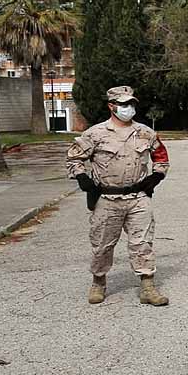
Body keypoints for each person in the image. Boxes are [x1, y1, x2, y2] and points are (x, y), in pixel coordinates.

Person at [66, 86, 170, 307]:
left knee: (143, 242)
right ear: (111, 106)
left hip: (138, 198)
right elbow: (74, 158)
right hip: (106, 199)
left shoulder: (145, 133)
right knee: (103, 244)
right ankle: (98, 282)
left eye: (131, 104)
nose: (128, 108)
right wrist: (82, 178)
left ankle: (147, 286)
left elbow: (161, 157)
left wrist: (156, 177)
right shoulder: (95, 134)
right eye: (123, 105)